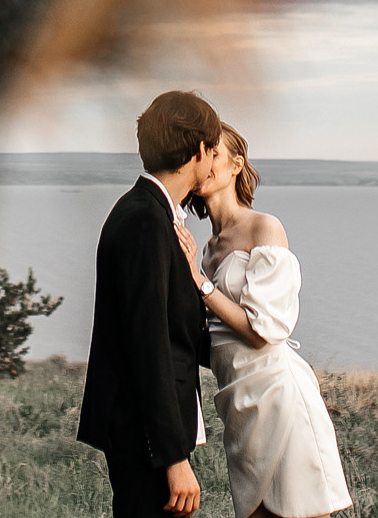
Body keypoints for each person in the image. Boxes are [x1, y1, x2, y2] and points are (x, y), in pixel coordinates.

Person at [182, 125, 352, 518]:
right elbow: (220, 342)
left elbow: (264, 332)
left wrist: (198, 282)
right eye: (197, 156)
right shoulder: (205, 250)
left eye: (215, 155)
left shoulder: (264, 227)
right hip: (239, 406)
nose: (204, 165)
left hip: (279, 397)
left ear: (237, 165)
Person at [79, 90, 221, 518]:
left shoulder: (154, 213)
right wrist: (173, 459)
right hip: (142, 435)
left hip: (143, 432)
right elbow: (149, 344)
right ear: (198, 150)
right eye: (213, 151)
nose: (215, 163)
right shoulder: (144, 220)